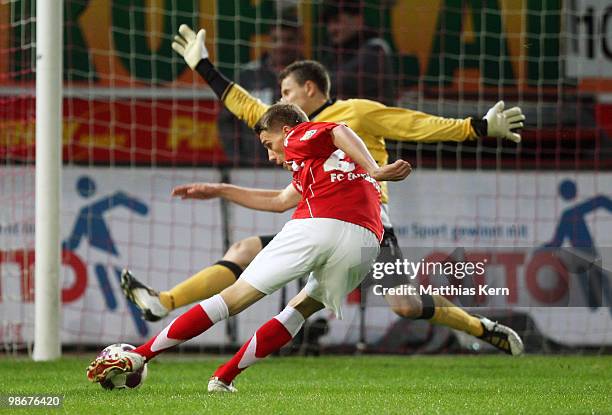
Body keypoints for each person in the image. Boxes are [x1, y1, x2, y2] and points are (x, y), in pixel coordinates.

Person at [121, 24, 525, 355]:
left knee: (404, 304)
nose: (279, 100)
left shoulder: (354, 113)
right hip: (314, 221)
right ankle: (165, 303)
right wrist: (204, 66)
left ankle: (480, 327)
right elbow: (244, 107)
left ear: (311, 89)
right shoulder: (291, 129)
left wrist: (477, 126)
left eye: (286, 92)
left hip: (366, 224)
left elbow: (415, 124)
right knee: (245, 250)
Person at [87, 103, 412, 392]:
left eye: (269, 145)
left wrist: (376, 168)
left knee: (232, 298)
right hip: (366, 241)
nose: (271, 156)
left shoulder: (300, 134)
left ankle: (138, 356)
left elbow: (339, 128)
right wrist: (220, 189)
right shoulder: (326, 164)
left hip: (318, 224)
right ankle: (223, 378)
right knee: (300, 310)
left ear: (286, 131)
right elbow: (280, 200)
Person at [219, 12, 303, 165]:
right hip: (254, 166)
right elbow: (227, 120)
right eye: (275, 39)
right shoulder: (248, 76)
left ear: (300, 41)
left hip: (299, 165)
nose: (281, 45)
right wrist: (237, 158)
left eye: (289, 40)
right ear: (268, 41)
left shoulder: (311, 77)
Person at [319, 1, 395, 104]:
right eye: (328, 24)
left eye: (337, 21)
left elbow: (343, 83)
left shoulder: (376, 48)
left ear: (358, 20)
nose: (331, 29)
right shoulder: (335, 55)